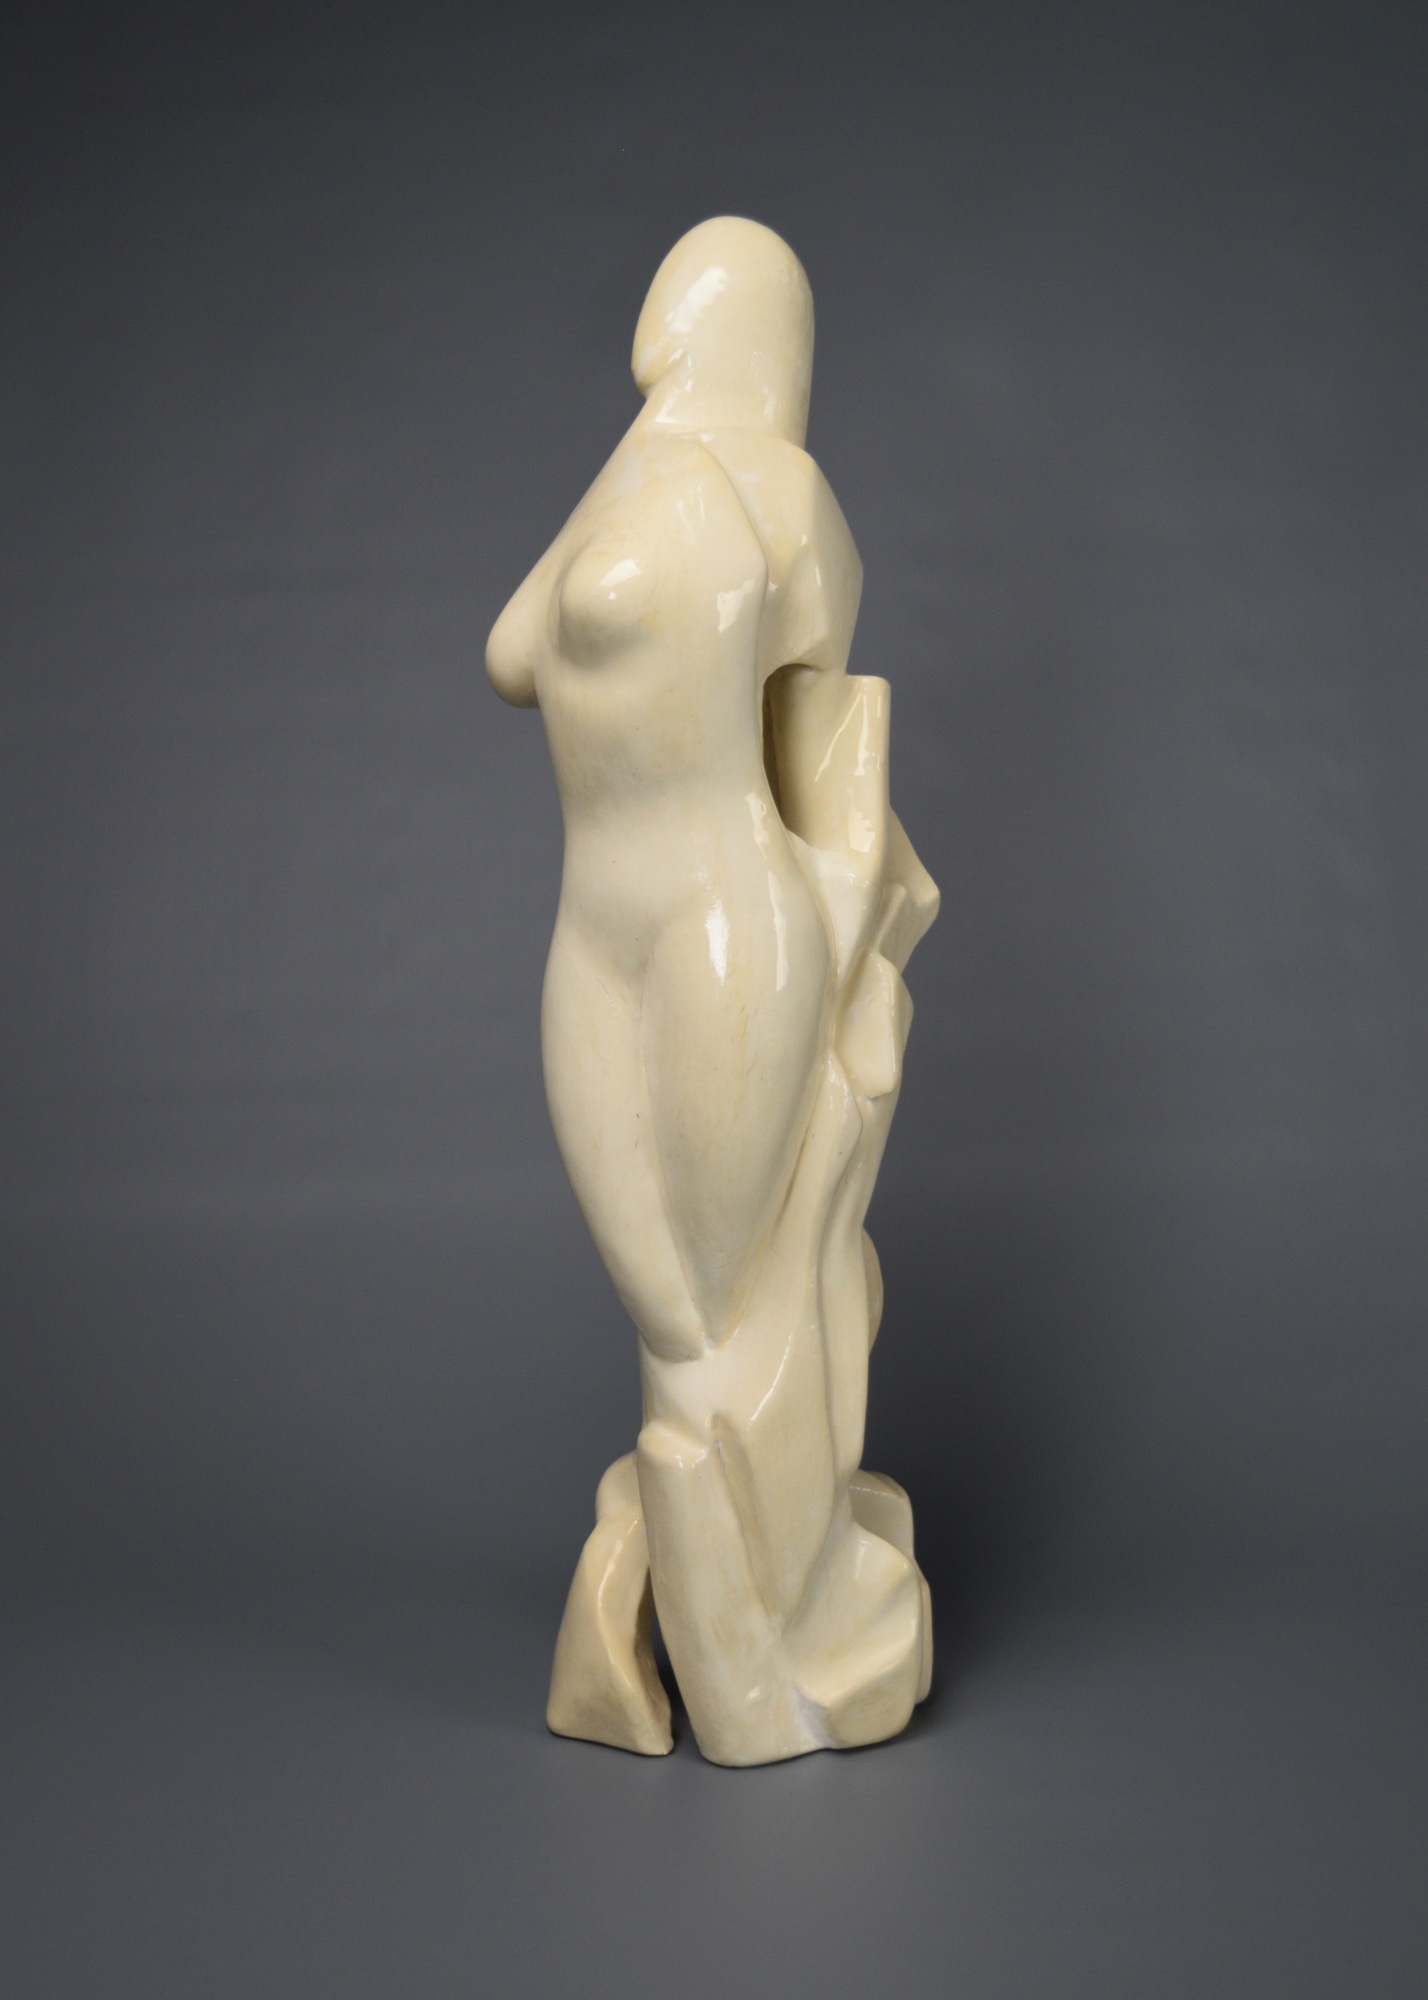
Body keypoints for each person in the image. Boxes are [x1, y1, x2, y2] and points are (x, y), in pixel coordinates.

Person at [488, 217, 937, 1765]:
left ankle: (753, 1656)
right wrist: (649, 441)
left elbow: (822, 738)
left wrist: (849, 946)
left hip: (727, 928)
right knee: (667, 1304)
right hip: (592, 930)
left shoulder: (787, 499)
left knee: (719, 1306)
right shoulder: (634, 492)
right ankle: (685, 1596)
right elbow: (508, 652)